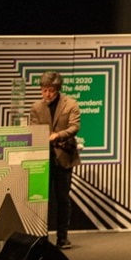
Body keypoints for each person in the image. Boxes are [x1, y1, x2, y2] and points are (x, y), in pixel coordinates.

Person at [29, 70, 81, 249]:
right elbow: (35, 129)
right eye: (43, 90)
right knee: (42, 199)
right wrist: (48, 136)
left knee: (62, 199)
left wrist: (58, 135)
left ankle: (62, 238)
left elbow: (75, 127)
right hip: (42, 158)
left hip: (64, 157)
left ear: (57, 89)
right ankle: (41, 238)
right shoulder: (36, 107)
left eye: (50, 90)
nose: (47, 94)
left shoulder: (71, 104)